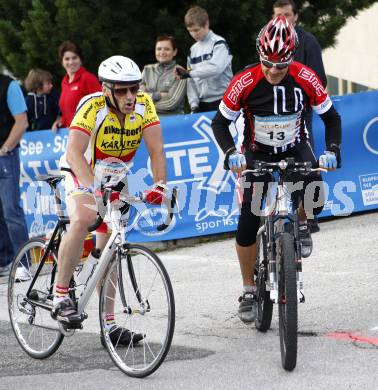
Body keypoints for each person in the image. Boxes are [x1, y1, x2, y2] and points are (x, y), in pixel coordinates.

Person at [211, 16, 341, 323]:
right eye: (267, 63)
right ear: (260, 56)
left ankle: (302, 221)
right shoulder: (245, 81)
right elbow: (220, 123)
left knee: (315, 194)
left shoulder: (305, 77)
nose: (273, 71)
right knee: (247, 220)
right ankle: (247, 289)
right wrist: (231, 153)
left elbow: (332, 117)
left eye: (280, 66)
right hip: (256, 151)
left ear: (291, 59)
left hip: (296, 146)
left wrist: (333, 151)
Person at [52, 55, 167, 346]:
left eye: (134, 88)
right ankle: (60, 295)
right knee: (83, 219)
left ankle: (109, 325)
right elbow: (74, 153)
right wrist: (93, 189)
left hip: (115, 174)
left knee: (111, 251)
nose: (130, 96)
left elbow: (156, 151)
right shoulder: (93, 107)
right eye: (121, 90)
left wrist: (160, 186)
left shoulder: (144, 104)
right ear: (106, 90)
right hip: (83, 170)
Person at [273, 0, 327, 233]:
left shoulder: (308, 42)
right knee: (283, 165)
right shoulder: (270, 41)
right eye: (278, 15)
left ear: (295, 17)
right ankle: (294, 215)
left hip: (301, 112)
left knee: (307, 162)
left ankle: (311, 215)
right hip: (274, 114)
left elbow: (319, 80)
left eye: (286, 14)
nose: (282, 19)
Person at [175, 6, 233, 113]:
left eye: (196, 30)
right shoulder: (192, 50)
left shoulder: (219, 43)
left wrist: (189, 73)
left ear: (206, 24)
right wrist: (193, 104)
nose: (193, 34)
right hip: (202, 104)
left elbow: (216, 69)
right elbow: (191, 82)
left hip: (224, 99)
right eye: (190, 31)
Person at [0, 74, 29, 278]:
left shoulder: (9, 85)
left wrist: (5, 148)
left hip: (6, 156)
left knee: (11, 210)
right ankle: (4, 260)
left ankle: (23, 263)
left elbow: (22, 122)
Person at [52, 41, 102, 131]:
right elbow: (68, 110)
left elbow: (102, 107)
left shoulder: (88, 78)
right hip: (69, 134)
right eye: (67, 59)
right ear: (62, 62)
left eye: (74, 58)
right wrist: (61, 122)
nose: (71, 62)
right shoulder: (64, 81)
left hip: (88, 134)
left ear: (80, 60)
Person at [141, 34, 187, 115]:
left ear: (174, 52)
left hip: (173, 122)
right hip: (148, 122)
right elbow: (137, 96)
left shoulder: (181, 72)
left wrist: (144, 105)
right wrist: (159, 95)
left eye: (167, 49)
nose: (162, 52)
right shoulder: (147, 69)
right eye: (159, 49)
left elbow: (171, 103)